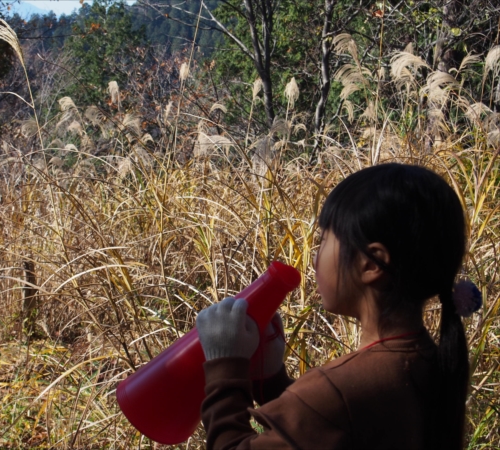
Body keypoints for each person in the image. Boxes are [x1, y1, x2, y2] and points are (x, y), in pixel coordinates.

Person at [196, 164, 482, 450]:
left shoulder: (337, 391)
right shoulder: (430, 362)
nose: (315, 257)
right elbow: (335, 430)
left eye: (323, 240)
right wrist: (270, 378)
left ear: (370, 263)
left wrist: (225, 365)